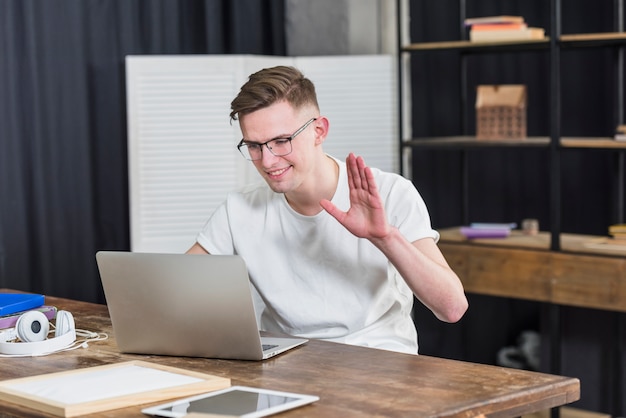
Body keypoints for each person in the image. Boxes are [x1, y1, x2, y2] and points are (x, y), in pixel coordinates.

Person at [187, 66, 468, 354]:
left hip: (379, 361)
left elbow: (452, 308)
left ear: (318, 131)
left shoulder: (391, 193)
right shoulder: (239, 209)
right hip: (286, 363)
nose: (268, 161)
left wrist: (385, 238)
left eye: (281, 142)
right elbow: (172, 289)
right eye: (255, 146)